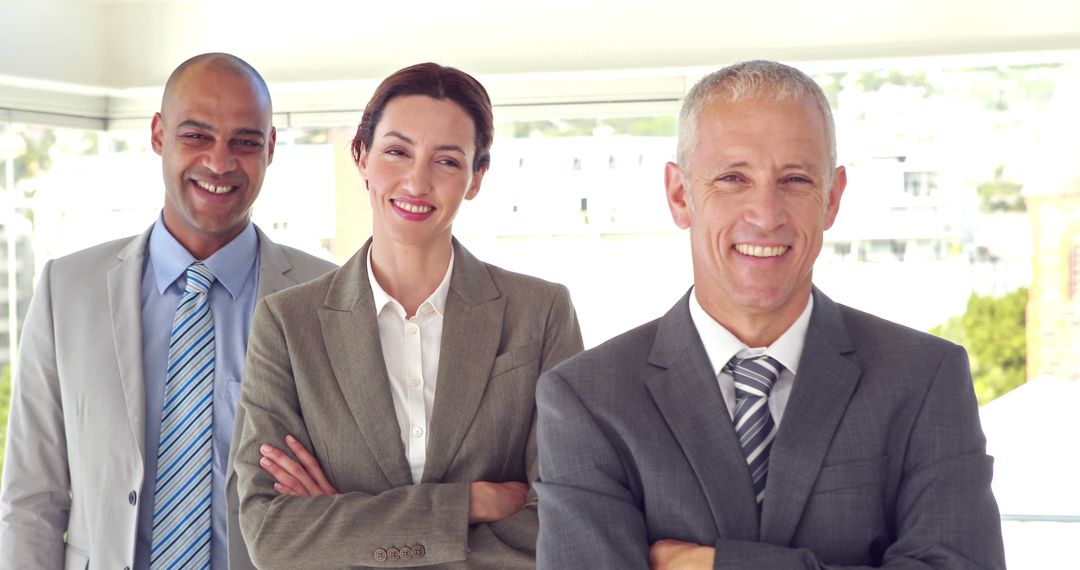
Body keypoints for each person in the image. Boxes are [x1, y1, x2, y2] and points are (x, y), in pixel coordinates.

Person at [535, 60, 1005, 569]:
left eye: (796, 179)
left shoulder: (924, 377)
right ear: (679, 195)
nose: (766, 214)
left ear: (832, 198)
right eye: (733, 178)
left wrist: (719, 566)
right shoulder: (588, 397)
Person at [233, 62, 583, 569]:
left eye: (446, 161)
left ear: (476, 178)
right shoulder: (288, 324)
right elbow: (272, 536)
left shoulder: (541, 313)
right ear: (361, 156)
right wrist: (468, 504)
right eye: (397, 152)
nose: (417, 182)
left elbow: (563, 521)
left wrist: (344, 526)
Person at [0, 53, 335, 570]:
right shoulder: (65, 290)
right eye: (196, 136)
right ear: (158, 134)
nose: (220, 163)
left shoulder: (329, 296)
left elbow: (361, 490)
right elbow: (31, 501)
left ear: (270, 148)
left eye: (245, 141)